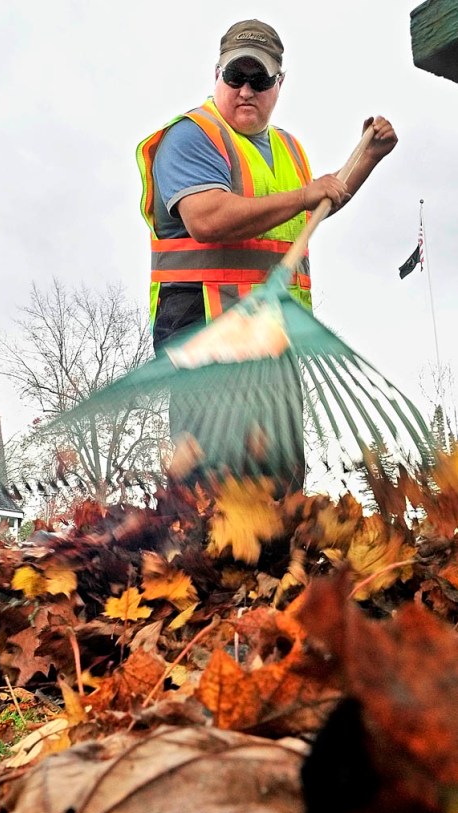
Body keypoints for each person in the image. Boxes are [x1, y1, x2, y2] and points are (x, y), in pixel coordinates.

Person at [136, 18, 398, 490]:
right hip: (208, 334)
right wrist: (306, 194)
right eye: (234, 77)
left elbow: (316, 208)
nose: (245, 90)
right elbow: (208, 218)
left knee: (279, 488)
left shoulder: (289, 149)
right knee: (216, 493)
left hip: (274, 342)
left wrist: (367, 159)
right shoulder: (193, 136)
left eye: (259, 80)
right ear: (216, 75)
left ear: (279, 84)